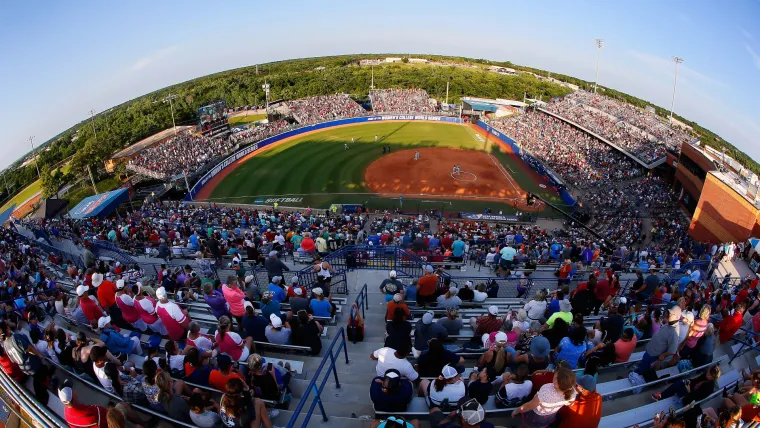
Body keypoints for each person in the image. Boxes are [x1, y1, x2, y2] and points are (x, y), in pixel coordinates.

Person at [511, 366, 577, 427]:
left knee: (526, 424)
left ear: (559, 383)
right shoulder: (572, 391)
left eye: (555, 377)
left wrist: (517, 411)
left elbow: (530, 405)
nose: (554, 376)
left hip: (537, 415)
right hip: (550, 415)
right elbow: (569, 403)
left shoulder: (547, 389)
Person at [637, 305, 681, 374]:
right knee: (643, 362)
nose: (668, 315)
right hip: (650, 349)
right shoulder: (669, 323)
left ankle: (637, 375)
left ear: (677, 317)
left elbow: (672, 350)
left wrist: (663, 355)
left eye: (670, 314)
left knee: (644, 367)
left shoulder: (674, 333)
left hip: (653, 354)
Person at [651, 364, 720, 403]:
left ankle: (663, 396)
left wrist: (688, 390)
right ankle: (661, 395)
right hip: (691, 388)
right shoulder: (706, 375)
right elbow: (696, 380)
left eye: (709, 373)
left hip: (691, 398)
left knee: (679, 388)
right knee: (680, 383)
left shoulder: (709, 388)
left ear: (712, 377)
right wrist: (689, 381)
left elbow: (696, 397)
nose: (707, 373)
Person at [429, 397, 494, 428]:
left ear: (463, 420)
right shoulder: (489, 426)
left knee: (434, 410)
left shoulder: (450, 427)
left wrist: (449, 418)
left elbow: (440, 425)